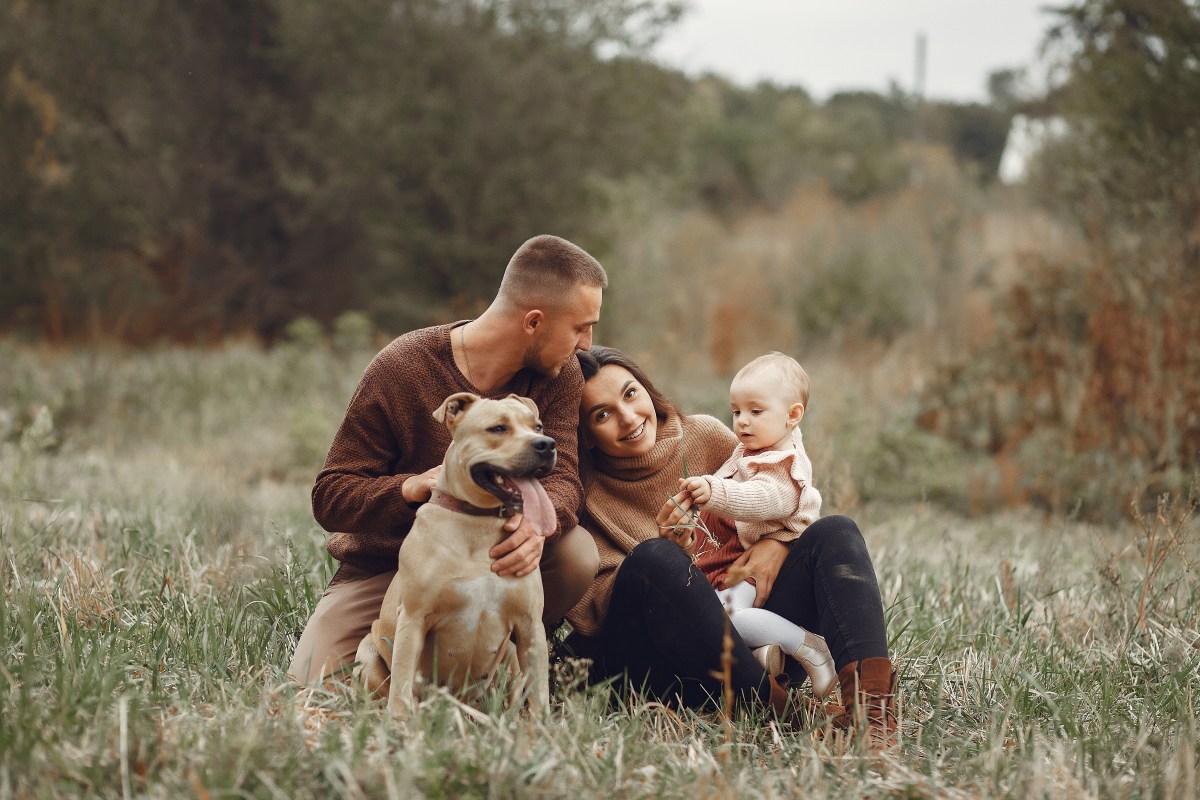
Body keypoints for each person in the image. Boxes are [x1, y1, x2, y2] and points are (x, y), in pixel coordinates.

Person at [289, 235, 606, 686]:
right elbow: (331, 494)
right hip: (391, 568)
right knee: (313, 682)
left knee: (576, 555)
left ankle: (498, 657)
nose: (587, 345)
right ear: (534, 321)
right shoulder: (403, 367)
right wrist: (409, 488)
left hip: (498, 555)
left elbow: (565, 475)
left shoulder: (559, 375)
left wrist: (540, 522)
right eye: (580, 327)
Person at [566, 345, 897, 751]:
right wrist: (672, 556)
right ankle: (781, 710)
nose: (629, 417)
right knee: (655, 558)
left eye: (631, 393)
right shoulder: (584, 493)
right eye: (602, 414)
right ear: (585, 435)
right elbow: (595, 613)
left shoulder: (706, 435)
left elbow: (782, 492)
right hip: (670, 666)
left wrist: (777, 543)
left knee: (836, 531)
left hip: (755, 630)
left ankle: (872, 713)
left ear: (647, 390)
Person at [676, 352, 835, 700]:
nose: (742, 422)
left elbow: (761, 498)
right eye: (736, 412)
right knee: (702, 619)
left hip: (749, 563)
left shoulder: (787, 462)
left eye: (755, 411)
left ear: (792, 416)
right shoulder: (748, 451)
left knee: (725, 621)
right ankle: (762, 658)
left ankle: (809, 646)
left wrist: (712, 490)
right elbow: (728, 480)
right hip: (724, 560)